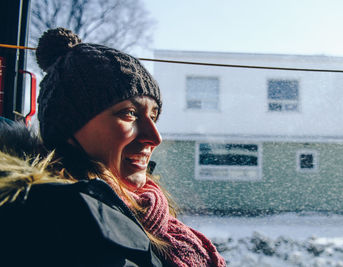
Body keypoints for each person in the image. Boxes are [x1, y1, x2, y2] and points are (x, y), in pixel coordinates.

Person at [0, 28, 226, 267]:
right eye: (129, 113)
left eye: (153, 115)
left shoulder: (140, 212)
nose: (155, 137)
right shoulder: (60, 224)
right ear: (68, 127)